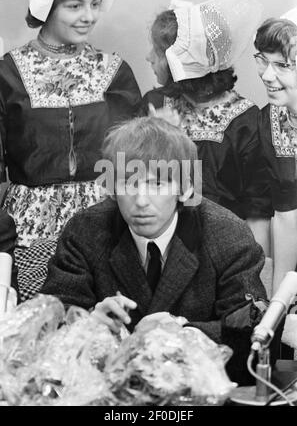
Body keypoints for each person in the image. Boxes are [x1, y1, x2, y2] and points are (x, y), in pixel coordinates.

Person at [41, 116, 275, 385]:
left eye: (157, 184)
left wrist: (183, 332)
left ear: (185, 188)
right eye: (128, 183)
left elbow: (252, 337)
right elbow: (48, 330)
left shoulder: (227, 236)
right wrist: (88, 325)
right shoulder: (84, 231)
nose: (141, 201)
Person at [0, 0, 142, 300]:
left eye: (95, 4)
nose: (89, 16)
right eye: (74, 5)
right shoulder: (8, 73)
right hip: (28, 231)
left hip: (104, 226)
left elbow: (135, 163)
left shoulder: (114, 72)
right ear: (48, 3)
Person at [142, 0, 273, 258]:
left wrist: (256, 283)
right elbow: (129, 185)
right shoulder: (154, 105)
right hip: (157, 252)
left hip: (222, 256)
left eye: (156, 52)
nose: (148, 58)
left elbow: (258, 215)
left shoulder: (246, 124)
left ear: (179, 63)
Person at [254, 13, 297, 294]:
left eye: (281, 65)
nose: (268, 76)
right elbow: (286, 214)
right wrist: (279, 299)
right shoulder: (271, 121)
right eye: (263, 61)